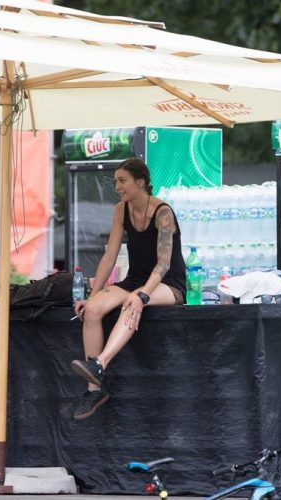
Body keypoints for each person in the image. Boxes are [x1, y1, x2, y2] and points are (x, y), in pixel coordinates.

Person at [71, 158, 186, 420]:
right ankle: (94, 390)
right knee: (93, 310)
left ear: (140, 182)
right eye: (116, 182)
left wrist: (143, 295)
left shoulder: (163, 213)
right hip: (135, 279)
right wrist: (92, 295)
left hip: (168, 283)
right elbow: (110, 256)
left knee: (132, 300)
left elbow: (164, 263)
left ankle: (100, 363)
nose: (117, 187)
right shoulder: (120, 209)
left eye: (122, 181)